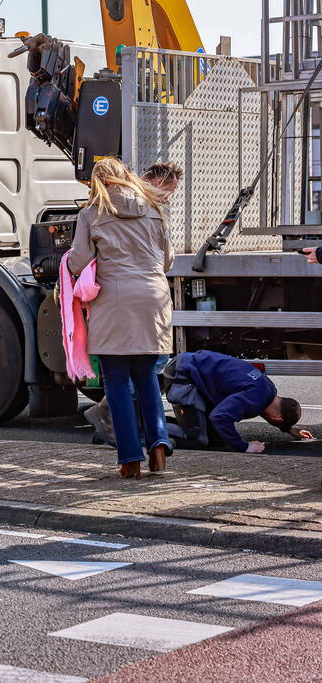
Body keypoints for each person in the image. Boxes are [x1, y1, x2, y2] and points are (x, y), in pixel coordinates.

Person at [68, 158, 173, 479]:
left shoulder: (90, 214)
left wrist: (70, 261)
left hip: (114, 301)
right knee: (146, 378)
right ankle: (158, 444)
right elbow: (167, 260)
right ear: (126, 177)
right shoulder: (154, 209)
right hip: (154, 300)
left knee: (116, 381)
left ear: (97, 183)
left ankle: (130, 459)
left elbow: (79, 261)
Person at [163, 350, 309, 452]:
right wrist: (244, 447)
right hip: (182, 375)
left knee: (216, 440)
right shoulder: (256, 399)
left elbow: (271, 414)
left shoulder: (269, 389)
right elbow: (219, 417)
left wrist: (289, 429)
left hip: (190, 366)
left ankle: (156, 422)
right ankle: (145, 425)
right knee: (198, 438)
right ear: (277, 418)